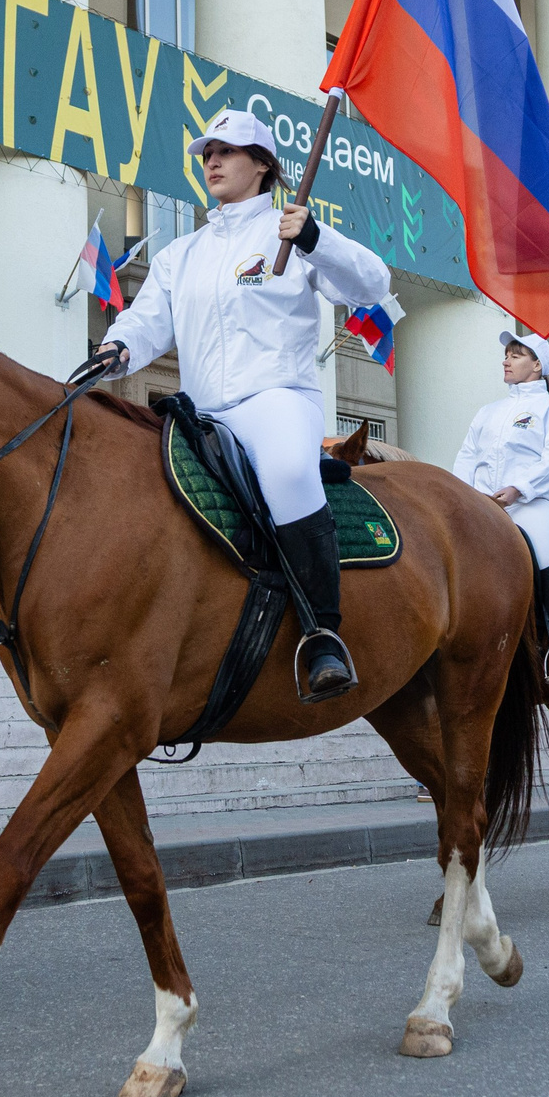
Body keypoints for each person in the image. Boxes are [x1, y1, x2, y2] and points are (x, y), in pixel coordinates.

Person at [95, 107, 391, 700]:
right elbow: (147, 322)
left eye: (226, 151)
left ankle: (323, 635)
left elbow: (372, 284)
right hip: (202, 411)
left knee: (284, 469)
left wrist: (314, 238)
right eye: (207, 152)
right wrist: (116, 349)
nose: (212, 161)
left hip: (277, 398)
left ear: (261, 165)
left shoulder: (292, 231)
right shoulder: (183, 253)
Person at [452, 331, 549, 683]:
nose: (505, 360)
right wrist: (462, 495)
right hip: (480, 504)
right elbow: (466, 457)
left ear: (537, 365)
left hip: (530, 503)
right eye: (506, 355)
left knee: (543, 558)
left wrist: (518, 489)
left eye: (515, 355)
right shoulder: (488, 411)